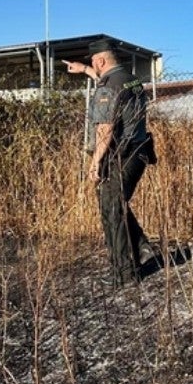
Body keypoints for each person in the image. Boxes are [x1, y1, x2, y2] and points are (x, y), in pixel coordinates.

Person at [63, 39, 159, 288]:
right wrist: (84, 70)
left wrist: (96, 162)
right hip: (138, 151)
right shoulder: (130, 79)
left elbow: (105, 129)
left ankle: (125, 272)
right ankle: (141, 247)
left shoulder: (108, 87)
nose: (95, 68)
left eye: (95, 63)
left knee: (111, 209)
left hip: (120, 155)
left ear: (101, 61)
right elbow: (105, 79)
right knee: (117, 202)